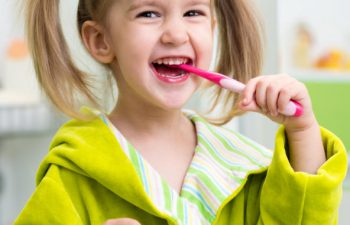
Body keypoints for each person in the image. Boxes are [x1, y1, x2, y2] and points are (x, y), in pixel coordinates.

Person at [15, 0, 347, 224]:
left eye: (193, 13)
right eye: (148, 13)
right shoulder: (73, 174)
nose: (176, 34)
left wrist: (302, 132)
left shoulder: (243, 167)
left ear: (213, 29)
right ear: (101, 40)